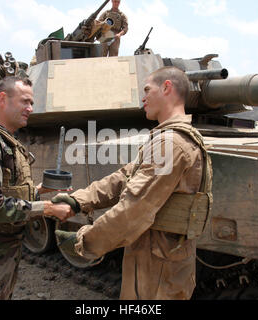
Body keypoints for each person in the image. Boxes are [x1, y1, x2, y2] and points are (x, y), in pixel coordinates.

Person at [54, 66, 213, 300]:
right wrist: (79, 200)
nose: (143, 97)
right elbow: (123, 177)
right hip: (159, 259)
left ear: (167, 87)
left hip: (156, 270)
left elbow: (132, 210)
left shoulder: (170, 144)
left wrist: (85, 242)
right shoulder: (168, 139)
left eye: (148, 89)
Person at [0, 76, 73, 300]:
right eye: (24, 102)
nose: (30, 108)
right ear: (2, 99)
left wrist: (38, 191)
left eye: (31, 103)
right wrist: (45, 208)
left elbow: (4, 192)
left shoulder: (4, 141)